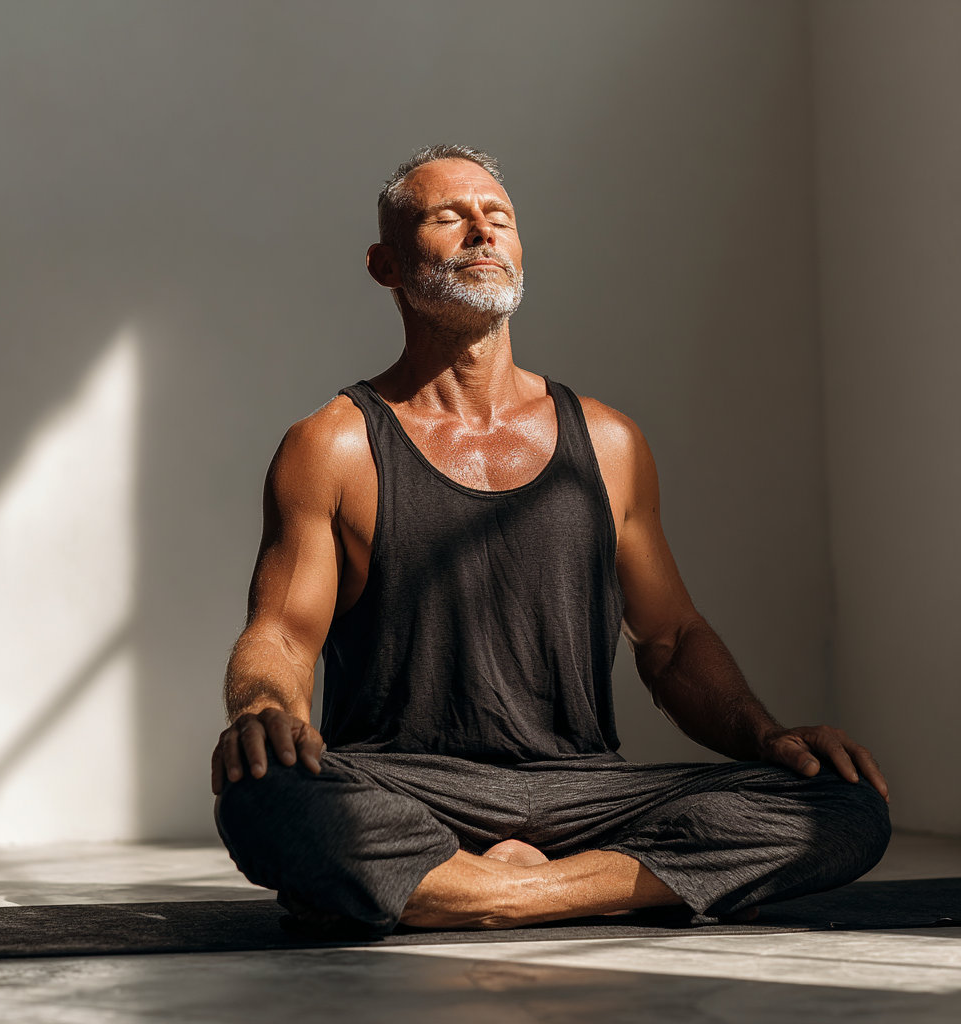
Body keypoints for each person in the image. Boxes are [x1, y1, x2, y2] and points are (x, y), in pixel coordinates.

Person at [212, 145, 890, 938]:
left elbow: (670, 642)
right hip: (403, 786)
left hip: (585, 796)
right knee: (264, 795)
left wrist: (767, 734)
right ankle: (604, 886)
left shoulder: (607, 441)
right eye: (449, 217)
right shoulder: (335, 446)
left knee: (843, 804)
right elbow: (283, 635)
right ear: (386, 266)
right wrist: (262, 708)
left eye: (498, 216)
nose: (481, 232)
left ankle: (471, 890)